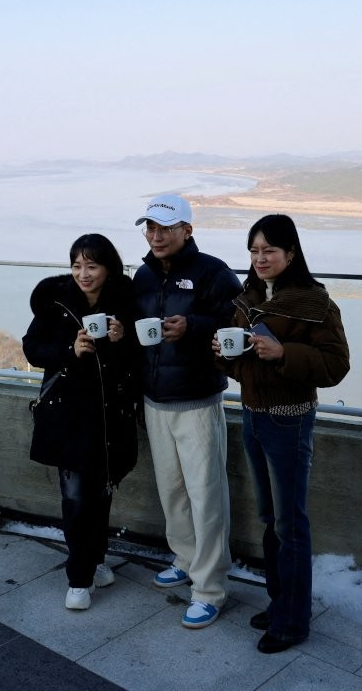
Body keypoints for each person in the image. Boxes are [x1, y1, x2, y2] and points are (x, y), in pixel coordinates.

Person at [213, 214, 349, 654]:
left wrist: (282, 352)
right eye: (254, 251)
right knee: (271, 519)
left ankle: (293, 622)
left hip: (289, 419)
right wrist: (223, 354)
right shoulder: (248, 297)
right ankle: (280, 603)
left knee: (291, 523)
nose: (259, 259)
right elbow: (238, 366)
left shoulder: (316, 303)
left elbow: (335, 365)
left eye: (268, 251)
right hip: (253, 415)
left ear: (291, 253)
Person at [133, 193, 243, 629]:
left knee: (206, 495)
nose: (155, 236)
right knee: (173, 491)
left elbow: (240, 325)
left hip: (198, 400)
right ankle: (185, 557)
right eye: (150, 228)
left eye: (165, 228)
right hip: (155, 399)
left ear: (187, 230)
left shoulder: (213, 273)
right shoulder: (141, 275)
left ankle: (211, 588)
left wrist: (195, 327)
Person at [23, 234, 139, 610]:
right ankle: (78, 577)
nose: (83, 274)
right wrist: (68, 351)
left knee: (102, 490)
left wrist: (123, 339)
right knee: (75, 497)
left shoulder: (126, 302)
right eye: (76, 266)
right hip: (69, 414)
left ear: (108, 268)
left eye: (91, 266)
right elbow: (32, 348)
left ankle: (97, 559)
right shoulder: (57, 302)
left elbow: (138, 358)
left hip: (109, 414)